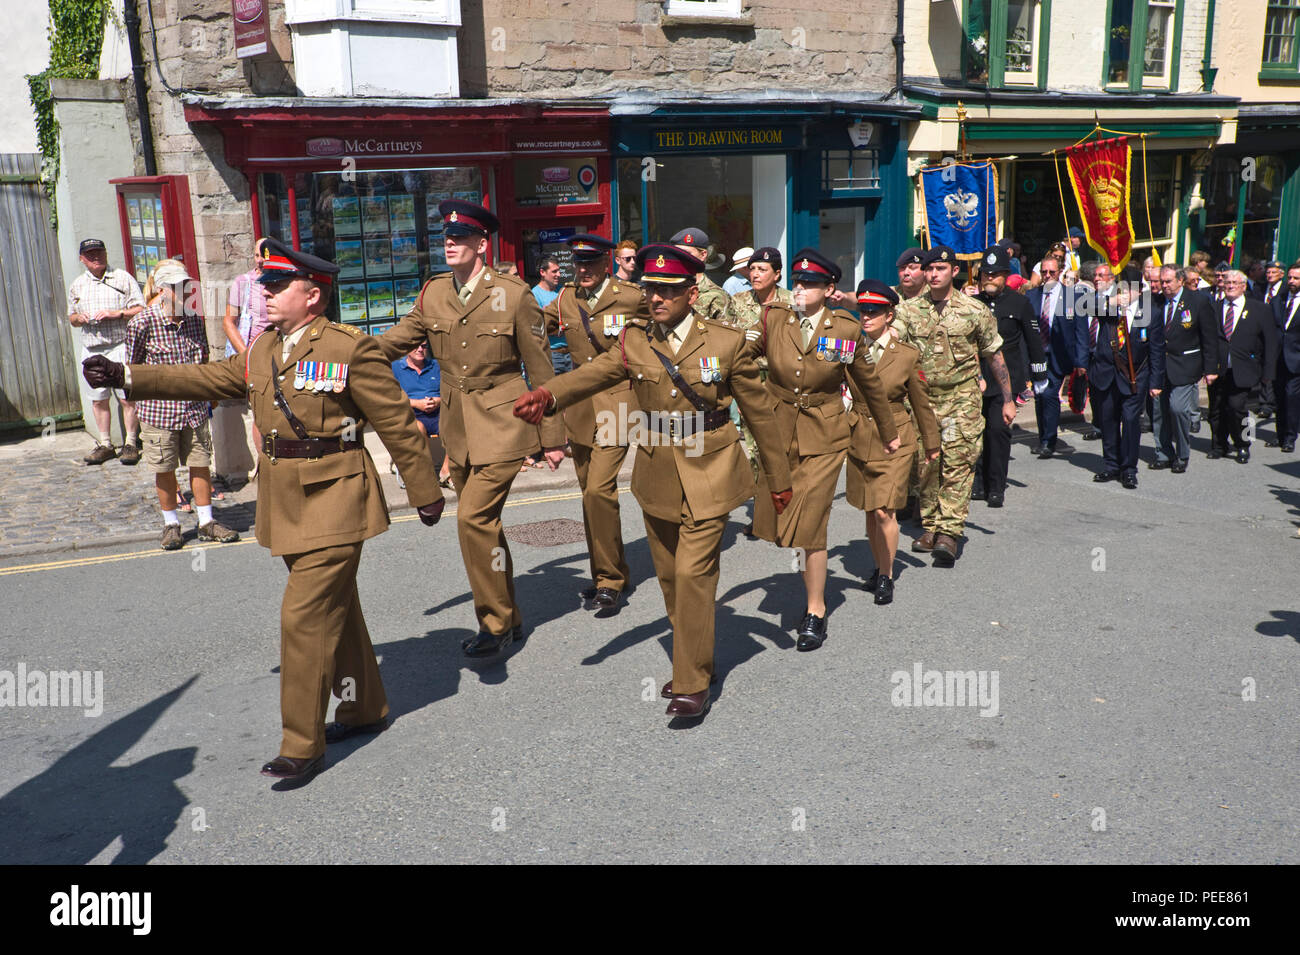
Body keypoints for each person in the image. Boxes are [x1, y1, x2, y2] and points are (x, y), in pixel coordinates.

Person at [83, 238, 445, 785]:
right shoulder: (263, 349)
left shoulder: (352, 349)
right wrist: (128, 376)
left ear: (314, 296)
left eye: (279, 287)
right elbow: (206, 377)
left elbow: (395, 422)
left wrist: (426, 492)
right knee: (336, 607)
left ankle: (302, 743)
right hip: (285, 498)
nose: (266, 294)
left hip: (337, 497)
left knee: (302, 618)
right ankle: (364, 706)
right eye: (266, 285)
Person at [512, 244, 793, 719]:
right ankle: (696, 655)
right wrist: (547, 394)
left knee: (692, 575)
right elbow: (595, 373)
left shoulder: (726, 342)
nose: (656, 298)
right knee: (668, 578)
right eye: (650, 289)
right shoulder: (636, 340)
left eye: (667, 290)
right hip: (657, 470)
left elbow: (761, 414)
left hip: (711, 468)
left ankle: (691, 682)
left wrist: (779, 482)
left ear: (690, 292)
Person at [377, 200, 567, 657]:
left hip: (504, 421)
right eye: (446, 237)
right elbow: (397, 338)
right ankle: (513, 616)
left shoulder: (514, 294)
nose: (450, 243)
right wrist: (344, 355)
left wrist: (553, 436)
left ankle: (495, 623)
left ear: (482, 244)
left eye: (460, 238)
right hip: (457, 428)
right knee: (488, 528)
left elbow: (541, 370)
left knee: (472, 519)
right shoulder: (434, 292)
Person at [745, 248, 900, 649]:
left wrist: (888, 431)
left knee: (812, 522)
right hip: (780, 432)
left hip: (826, 435)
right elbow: (741, 357)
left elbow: (869, 385)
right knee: (784, 521)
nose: (800, 289)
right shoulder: (775, 320)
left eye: (810, 283)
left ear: (830, 289)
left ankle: (815, 610)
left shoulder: (846, 330)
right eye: (797, 282)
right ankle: (809, 584)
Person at [541, 233, 650, 611]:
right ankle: (603, 572)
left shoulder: (631, 296)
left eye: (590, 263)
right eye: (578, 263)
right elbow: (536, 327)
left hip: (618, 403)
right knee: (590, 496)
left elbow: (661, 335)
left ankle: (611, 581)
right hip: (580, 408)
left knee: (600, 490)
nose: (583, 269)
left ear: (607, 262)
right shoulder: (566, 298)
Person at [893, 246, 1012, 566]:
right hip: (923, 400)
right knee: (927, 464)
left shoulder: (974, 310)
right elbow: (891, 342)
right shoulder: (909, 310)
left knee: (958, 463)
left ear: (954, 272)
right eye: (928, 269)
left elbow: (994, 354)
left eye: (940, 269)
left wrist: (1008, 399)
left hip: (962, 398)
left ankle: (949, 531)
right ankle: (931, 525)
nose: (933, 275)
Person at [125, 259, 240, 550]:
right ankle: (171, 524)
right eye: (177, 288)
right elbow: (132, 368)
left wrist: (209, 394)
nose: (184, 293)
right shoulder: (142, 322)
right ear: (162, 291)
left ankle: (206, 521)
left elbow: (202, 361)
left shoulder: (193, 320)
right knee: (164, 468)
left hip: (194, 409)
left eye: (187, 287)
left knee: (200, 464)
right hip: (159, 411)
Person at [843, 280, 939, 605]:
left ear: (889, 315)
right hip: (859, 435)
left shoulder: (908, 355)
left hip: (895, 439)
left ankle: (886, 575)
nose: (866, 316)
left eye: (874, 311)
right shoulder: (849, 349)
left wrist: (932, 444)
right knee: (870, 511)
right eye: (862, 310)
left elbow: (921, 403)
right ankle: (878, 565)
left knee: (885, 511)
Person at [971, 246, 1048, 507]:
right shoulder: (973, 303)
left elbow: (1033, 340)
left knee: (997, 431)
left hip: (1006, 380)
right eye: (985, 274)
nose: (988, 279)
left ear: (1005, 275)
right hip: (976, 376)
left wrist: (1039, 373)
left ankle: (996, 485)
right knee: (974, 433)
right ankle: (978, 483)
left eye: (994, 274)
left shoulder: (1019, 303)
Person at [1076, 264, 1165, 488]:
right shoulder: (1109, 307)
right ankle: (1111, 465)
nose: (1125, 293)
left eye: (1129, 289)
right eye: (1121, 288)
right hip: (1105, 373)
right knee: (1108, 421)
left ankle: (1128, 468)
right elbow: (1081, 306)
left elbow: (1156, 350)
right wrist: (1113, 302)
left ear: (1138, 291)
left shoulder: (1150, 311)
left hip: (1136, 376)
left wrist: (1156, 382)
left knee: (1131, 421)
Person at [67, 238, 146, 465]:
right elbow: (71, 317)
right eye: (90, 254)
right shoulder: (77, 285)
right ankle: (105, 444)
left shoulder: (122, 278)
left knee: (127, 397)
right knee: (98, 398)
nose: (96, 258)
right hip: (92, 348)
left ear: (106, 253)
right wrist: (78, 318)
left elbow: (141, 308)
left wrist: (116, 314)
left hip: (120, 345)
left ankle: (131, 443)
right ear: (82, 259)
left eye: (99, 253)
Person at [1206, 270, 1278, 463]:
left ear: (1244, 286)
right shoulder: (1214, 307)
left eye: (1235, 283)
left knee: (1237, 408)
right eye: (1227, 282)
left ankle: (1243, 444)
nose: (1230, 286)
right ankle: (1219, 444)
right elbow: (1208, 341)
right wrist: (1207, 369)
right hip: (1218, 369)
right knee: (1216, 409)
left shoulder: (1259, 309)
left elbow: (1270, 342)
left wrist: (1269, 372)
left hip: (1244, 369)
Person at [1151, 266, 1217, 473]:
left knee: (1178, 409)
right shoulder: (1156, 301)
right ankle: (1163, 453)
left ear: (1180, 281)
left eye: (1168, 281)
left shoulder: (1198, 301)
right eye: (1161, 282)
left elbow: (1209, 337)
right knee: (1158, 412)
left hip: (1186, 366)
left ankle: (1182, 454)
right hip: (1160, 366)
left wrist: (1210, 369)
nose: (1164, 286)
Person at [222, 237, 273, 481]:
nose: (261, 260)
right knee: (260, 411)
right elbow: (228, 322)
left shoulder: (286, 281)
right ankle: (265, 464)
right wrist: (246, 355)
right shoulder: (243, 283)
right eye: (256, 255)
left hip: (282, 354)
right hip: (254, 356)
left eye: (265, 254)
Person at [1025, 255, 1080, 458]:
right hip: (1037, 355)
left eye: (1052, 272)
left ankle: (1049, 440)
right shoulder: (1031, 296)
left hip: (1058, 355)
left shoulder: (1071, 297)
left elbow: (1078, 330)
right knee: (1039, 396)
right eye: (1044, 272)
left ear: (1060, 273)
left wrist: (1079, 360)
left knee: (1049, 395)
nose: (1047, 276)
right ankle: (1043, 437)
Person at [390, 341, 444, 488]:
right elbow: (391, 396)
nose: (420, 349)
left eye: (424, 346)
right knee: (418, 428)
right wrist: (416, 403)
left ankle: (446, 472)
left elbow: (448, 392)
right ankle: (427, 471)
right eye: (416, 346)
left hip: (437, 413)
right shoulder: (395, 368)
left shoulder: (436, 366)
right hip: (410, 414)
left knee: (454, 426)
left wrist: (437, 401)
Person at [1269, 264, 1300, 453]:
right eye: (1289, 278)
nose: (1291, 282)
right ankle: (1280, 435)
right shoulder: (1278, 300)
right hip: (1278, 358)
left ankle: (1290, 437)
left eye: (1296, 278)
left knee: (1291, 397)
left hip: (1296, 359)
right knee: (1279, 398)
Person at [670, 227, 730, 322]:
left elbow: (724, 334)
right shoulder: (666, 289)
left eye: (686, 253)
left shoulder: (716, 296)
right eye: (676, 253)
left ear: (703, 255)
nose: (680, 258)